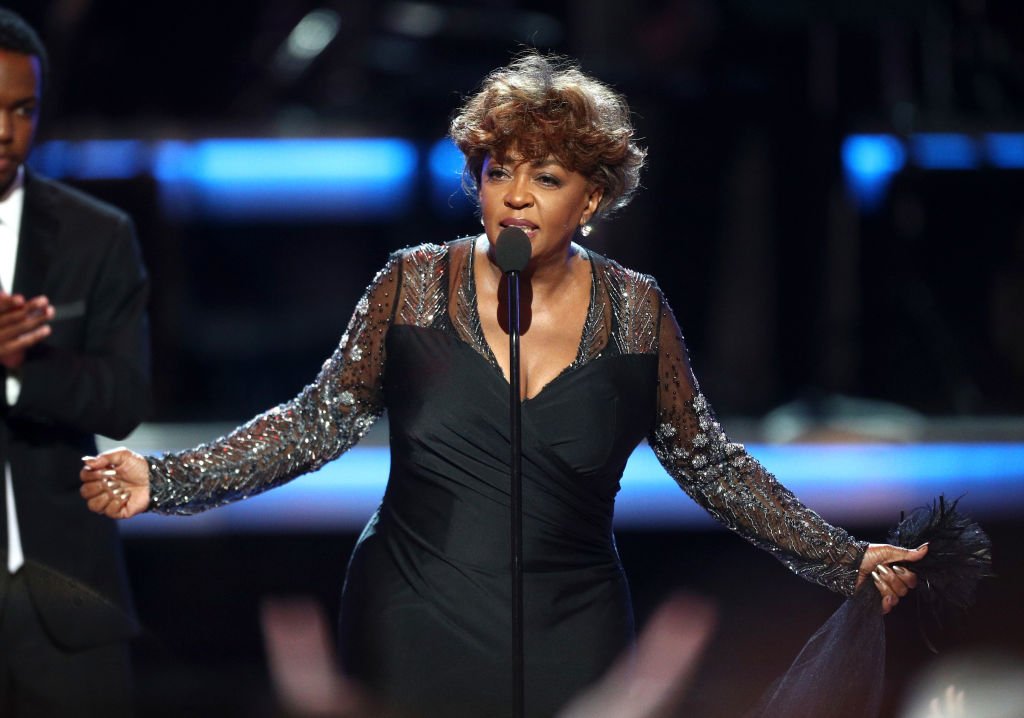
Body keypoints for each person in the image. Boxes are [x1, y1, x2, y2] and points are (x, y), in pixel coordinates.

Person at [81, 51, 925, 718]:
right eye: (497, 170)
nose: (515, 197)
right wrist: (164, 479)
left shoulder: (637, 314)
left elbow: (711, 464)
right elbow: (313, 425)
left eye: (546, 178)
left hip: (574, 627)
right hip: (410, 615)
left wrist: (842, 558)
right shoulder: (410, 287)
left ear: (593, 196)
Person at [0, 7, 151, 716]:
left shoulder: (97, 236)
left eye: (23, 110)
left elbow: (123, 398)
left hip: (65, 601)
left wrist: (19, 368)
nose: (5, 131)